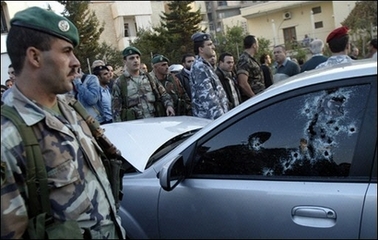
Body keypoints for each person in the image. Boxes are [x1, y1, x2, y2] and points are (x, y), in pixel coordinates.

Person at [1, 6, 125, 239]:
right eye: (67, 51)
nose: (76, 62)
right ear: (35, 57)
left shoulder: (71, 108)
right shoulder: (9, 138)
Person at [111, 46, 175, 122]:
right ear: (125, 61)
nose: (135, 61)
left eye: (137, 57)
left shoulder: (149, 78)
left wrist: (169, 106)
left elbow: (164, 95)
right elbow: (116, 110)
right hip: (134, 126)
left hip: (154, 122)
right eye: (131, 58)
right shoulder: (120, 82)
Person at [190, 32, 229, 120]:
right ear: (201, 49)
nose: (213, 47)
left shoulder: (205, 65)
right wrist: (221, 121)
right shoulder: (199, 67)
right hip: (210, 121)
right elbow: (208, 99)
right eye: (209, 45)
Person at [236, 35, 265, 102]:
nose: (258, 46)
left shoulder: (250, 59)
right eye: (257, 44)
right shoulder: (244, 60)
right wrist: (254, 98)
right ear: (254, 45)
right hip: (253, 100)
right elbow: (243, 83)